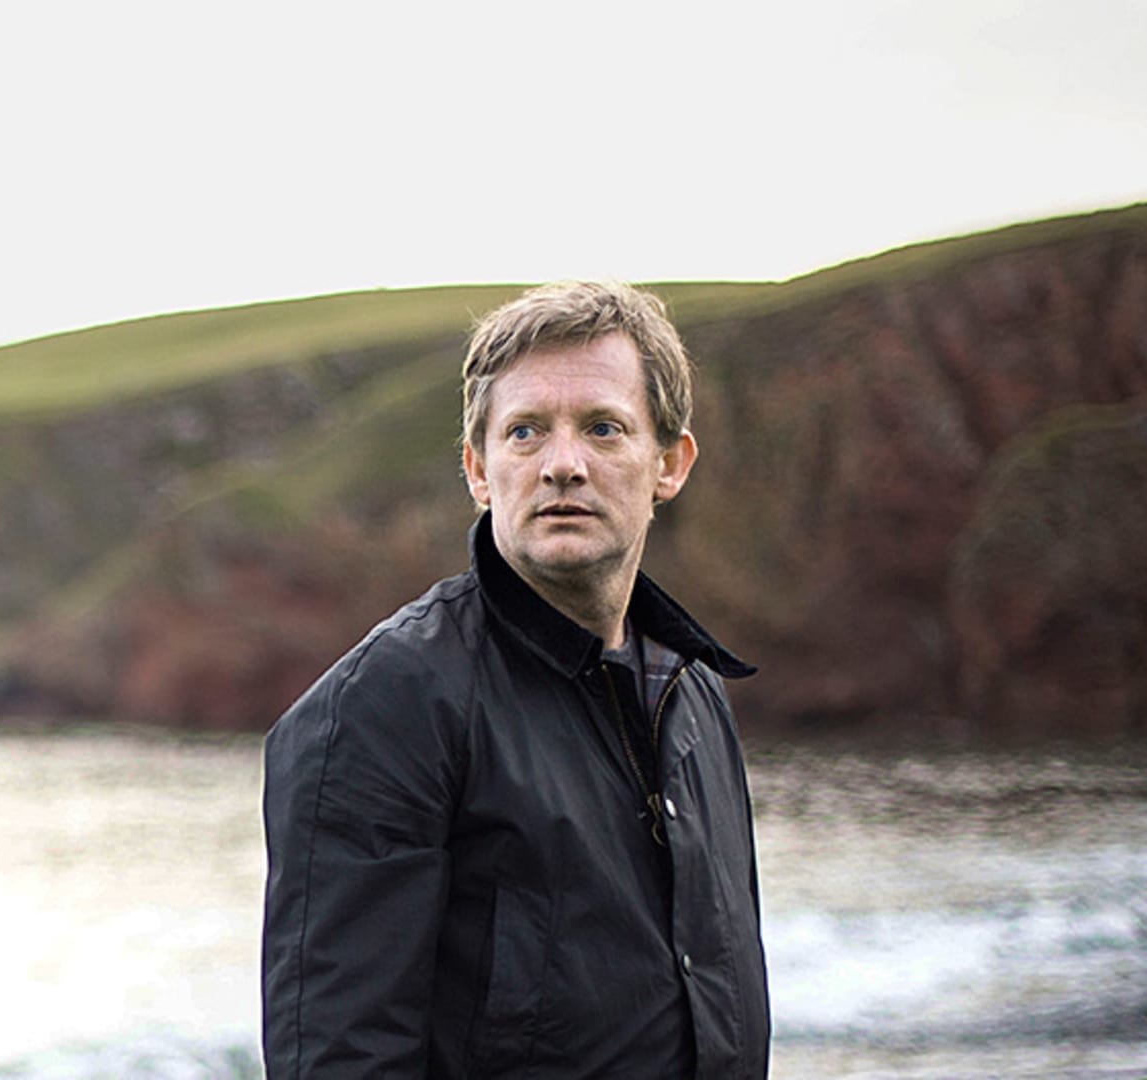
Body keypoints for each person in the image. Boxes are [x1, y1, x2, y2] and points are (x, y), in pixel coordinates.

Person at [261, 281, 770, 1078]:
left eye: (603, 428)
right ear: (478, 469)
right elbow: (340, 1059)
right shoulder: (383, 706)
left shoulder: (693, 691)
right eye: (526, 432)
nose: (563, 465)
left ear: (669, 464)